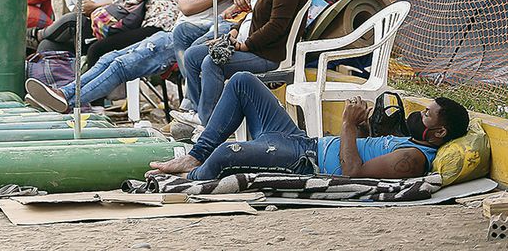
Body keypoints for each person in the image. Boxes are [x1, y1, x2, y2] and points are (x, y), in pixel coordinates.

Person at [149, 72, 469, 181]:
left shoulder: (413, 160)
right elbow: (359, 149)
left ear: (439, 133)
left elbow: (351, 174)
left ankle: (190, 177)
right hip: (301, 140)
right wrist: (363, 125)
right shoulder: (408, 142)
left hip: (305, 160)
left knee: (226, 154)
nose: (419, 115)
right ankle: (195, 156)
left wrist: (347, 125)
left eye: (428, 115)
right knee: (242, 82)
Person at [179, 0, 313, 126]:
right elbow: (254, 14)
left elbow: (277, 25)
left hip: (268, 54)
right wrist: (233, 31)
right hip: (248, 42)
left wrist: (245, 45)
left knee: (212, 62)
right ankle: (202, 113)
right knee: (192, 55)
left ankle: (210, 124)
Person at [168, 0, 256, 111]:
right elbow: (186, 7)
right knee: (180, 32)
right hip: (195, 26)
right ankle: (194, 98)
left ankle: (193, 105)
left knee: (194, 52)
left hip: (223, 25)